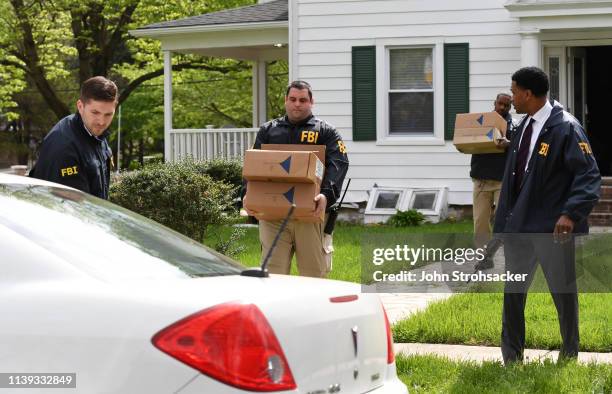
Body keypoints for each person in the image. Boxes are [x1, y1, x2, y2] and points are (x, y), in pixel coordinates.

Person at [493, 67, 601, 364]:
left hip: (553, 229)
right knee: (513, 295)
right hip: (520, 228)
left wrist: (570, 213)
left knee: (563, 294)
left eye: (514, 92)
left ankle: (569, 355)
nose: (511, 98)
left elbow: (588, 174)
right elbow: (518, 178)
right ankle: (511, 359)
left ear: (528, 93)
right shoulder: (524, 125)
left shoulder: (566, 127)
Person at [244, 80, 349, 277]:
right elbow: (253, 165)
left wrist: (326, 196)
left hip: (310, 213)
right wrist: (246, 195)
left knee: (313, 275)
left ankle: (314, 309)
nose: (297, 104)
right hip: (272, 215)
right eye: (292, 99)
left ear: (311, 102)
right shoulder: (268, 131)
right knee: (272, 275)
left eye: (302, 100)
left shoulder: (326, 132)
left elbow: (339, 164)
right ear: (285, 100)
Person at [30, 76, 117, 199]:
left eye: (108, 114)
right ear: (80, 106)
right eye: (95, 113)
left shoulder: (95, 133)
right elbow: (70, 206)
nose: (102, 122)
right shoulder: (64, 146)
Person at [471, 93, 514, 268]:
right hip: (481, 179)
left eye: (506, 105)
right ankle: (484, 258)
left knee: (501, 220)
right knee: (480, 222)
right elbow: (468, 140)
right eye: (500, 104)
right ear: (494, 103)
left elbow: (519, 147)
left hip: (502, 180)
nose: (502, 108)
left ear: (510, 107)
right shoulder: (481, 122)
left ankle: (493, 254)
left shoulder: (514, 126)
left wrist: (509, 143)